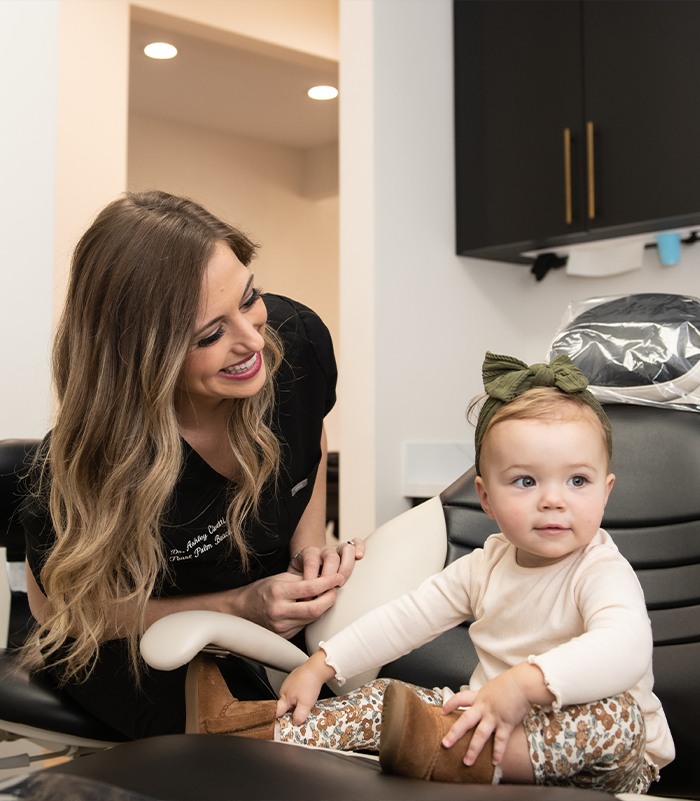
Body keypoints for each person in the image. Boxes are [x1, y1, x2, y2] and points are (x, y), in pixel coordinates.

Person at [189, 352, 675, 794]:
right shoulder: (485, 565)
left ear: (606, 491)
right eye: (526, 481)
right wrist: (323, 664)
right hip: (484, 721)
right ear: (486, 497)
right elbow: (407, 617)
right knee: (384, 697)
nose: (553, 498)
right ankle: (237, 728)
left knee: (620, 717)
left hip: (608, 763)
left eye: (577, 480)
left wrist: (525, 685)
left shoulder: (600, 570)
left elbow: (624, 648)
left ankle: (465, 760)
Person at [20, 189, 364, 738]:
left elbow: (308, 438)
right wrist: (237, 606)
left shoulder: (293, 341)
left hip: (265, 615)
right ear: (140, 354)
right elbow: (70, 615)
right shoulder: (86, 465)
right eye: (210, 334)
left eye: (249, 299)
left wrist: (308, 547)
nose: (254, 342)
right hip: (130, 645)